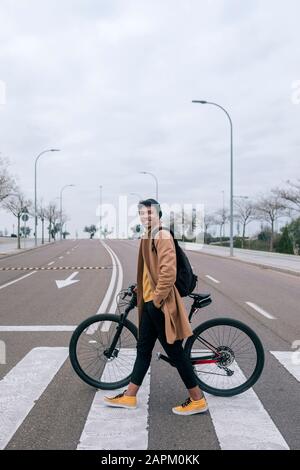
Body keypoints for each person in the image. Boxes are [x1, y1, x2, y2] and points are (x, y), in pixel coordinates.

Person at [104, 198, 208, 415]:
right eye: (142, 213)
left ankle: (197, 399)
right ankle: (130, 396)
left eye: (150, 213)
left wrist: (157, 300)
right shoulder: (148, 235)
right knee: (143, 349)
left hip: (159, 305)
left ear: (158, 215)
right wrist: (140, 290)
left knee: (175, 352)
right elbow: (149, 272)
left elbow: (168, 272)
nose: (146, 216)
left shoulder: (161, 235)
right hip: (150, 302)